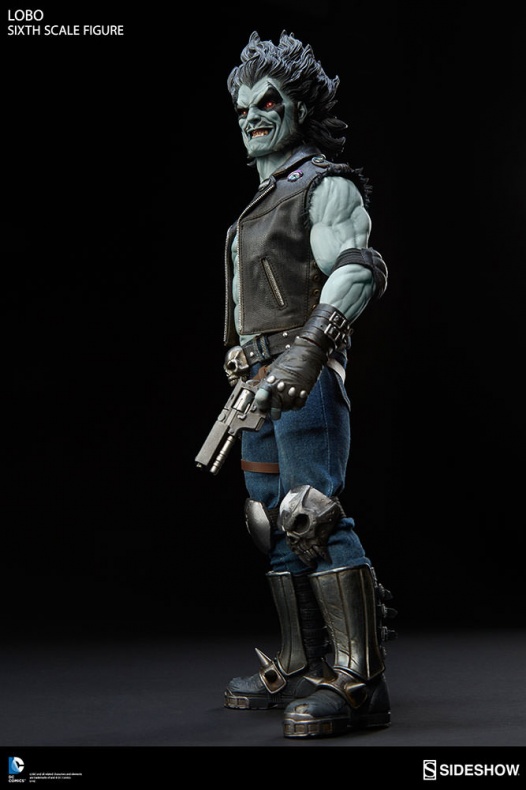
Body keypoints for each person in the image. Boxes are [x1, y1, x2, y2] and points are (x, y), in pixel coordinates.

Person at [221, 30, 396, 739]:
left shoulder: (324, 186)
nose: (252, 117)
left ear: (300, 107)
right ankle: (302, 662)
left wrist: (306, 354)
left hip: (303, 371)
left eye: (267, 102)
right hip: (256, 379)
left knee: (309, 511)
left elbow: (358, 267)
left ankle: (359, 680)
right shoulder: (257, 206)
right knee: (268, 516)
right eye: (242, 108)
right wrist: (247, 370)